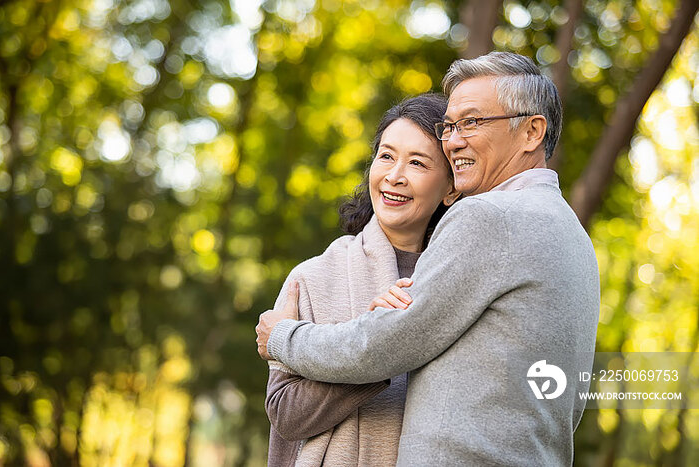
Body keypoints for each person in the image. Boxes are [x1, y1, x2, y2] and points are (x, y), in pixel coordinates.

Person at [256, 52, 600, 466]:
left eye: (472, 122)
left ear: (531, 131)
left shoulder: (489, 217)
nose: (455, 140)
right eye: (451, 126)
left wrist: (284, 337)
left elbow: (389, 343)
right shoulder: (574, 236)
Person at [264, 93, 460, 466]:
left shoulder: (460, 283)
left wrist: (378, 345)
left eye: (417, 163)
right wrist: (372, 346)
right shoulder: (312, 277)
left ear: (451, 188)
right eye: (386, 156)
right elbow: (286, 415)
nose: (394, 176)